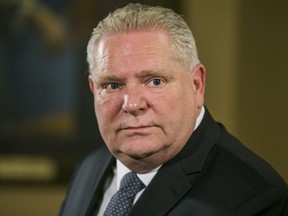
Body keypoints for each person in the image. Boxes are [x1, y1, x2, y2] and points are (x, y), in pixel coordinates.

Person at [60, 3, 288, 216]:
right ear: (93, 89)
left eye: (155, 81)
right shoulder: (90, 168)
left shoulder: (257, 200)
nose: (132, 104)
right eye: (112, 85)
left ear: (197, 85)